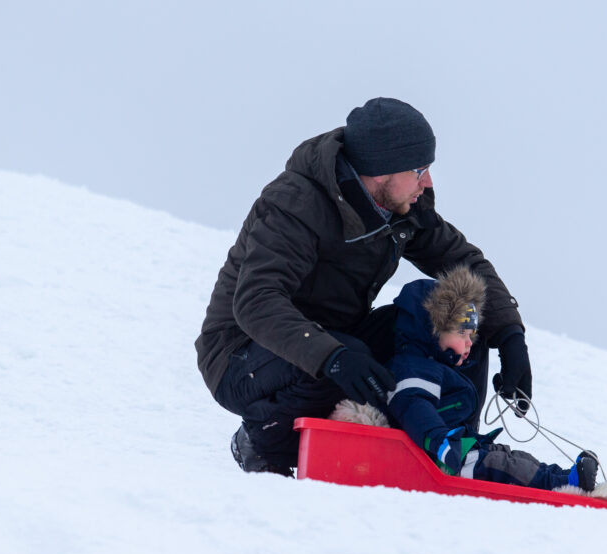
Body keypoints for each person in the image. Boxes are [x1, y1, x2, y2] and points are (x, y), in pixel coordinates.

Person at [195, 98, 533, 475]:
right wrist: (332, 356)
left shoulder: (401, 207)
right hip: (241, 355)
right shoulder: (296, 203)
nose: (427, 182)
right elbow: (257, 301)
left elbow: (463, 261)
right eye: (418, 170)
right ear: (381, 170)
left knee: (454, 316)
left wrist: (509, 335)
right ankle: (265, 441)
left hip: (336, 338)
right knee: (345, 356)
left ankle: (455, 451)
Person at [385, 266, 599, 492]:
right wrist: (442, 442)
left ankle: (565, 476)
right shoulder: (412, 368)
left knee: (507, 455)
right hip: (442, 459)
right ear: (434, 329)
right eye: (462, 333)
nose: (469, 343)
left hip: (455, 450)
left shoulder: (434, 368)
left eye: (471, 335)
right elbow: (414, 407)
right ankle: (561, 484)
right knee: (501, 464)